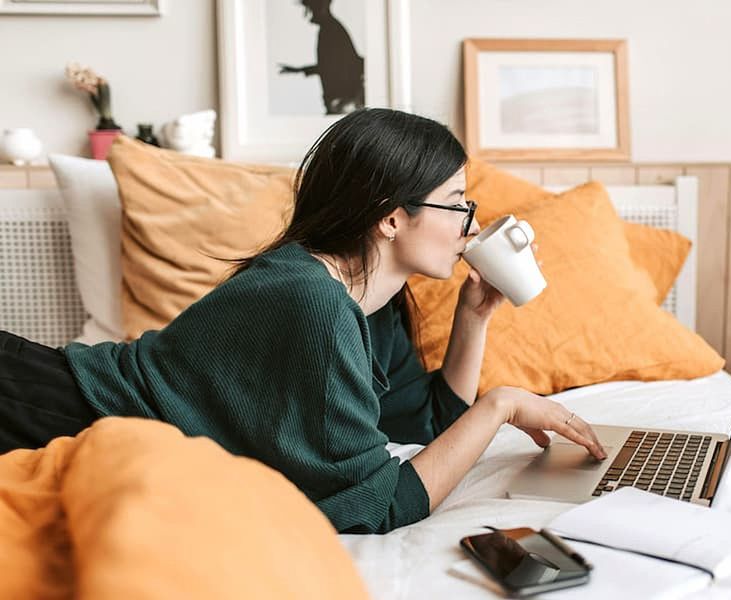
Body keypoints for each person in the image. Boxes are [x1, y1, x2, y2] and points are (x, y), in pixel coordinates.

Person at [0, 108, 606, 534]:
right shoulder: (313, 304)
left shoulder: (367, 298)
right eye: (455, 204)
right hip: (51, 410)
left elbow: (425, 429)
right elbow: (381, 506)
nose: (469, 224)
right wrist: (500, 405)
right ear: (391, 219)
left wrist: (473, 319)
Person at [279, 0, 364, 114]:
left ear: (321, 7)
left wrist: (348, 101)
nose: (307, 14)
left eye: (310, 8)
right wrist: (298, 70)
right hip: (341, 102)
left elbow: (347, 64)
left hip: (343, 103)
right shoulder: (330, 29)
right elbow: (329, 66)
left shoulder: (331, 30)